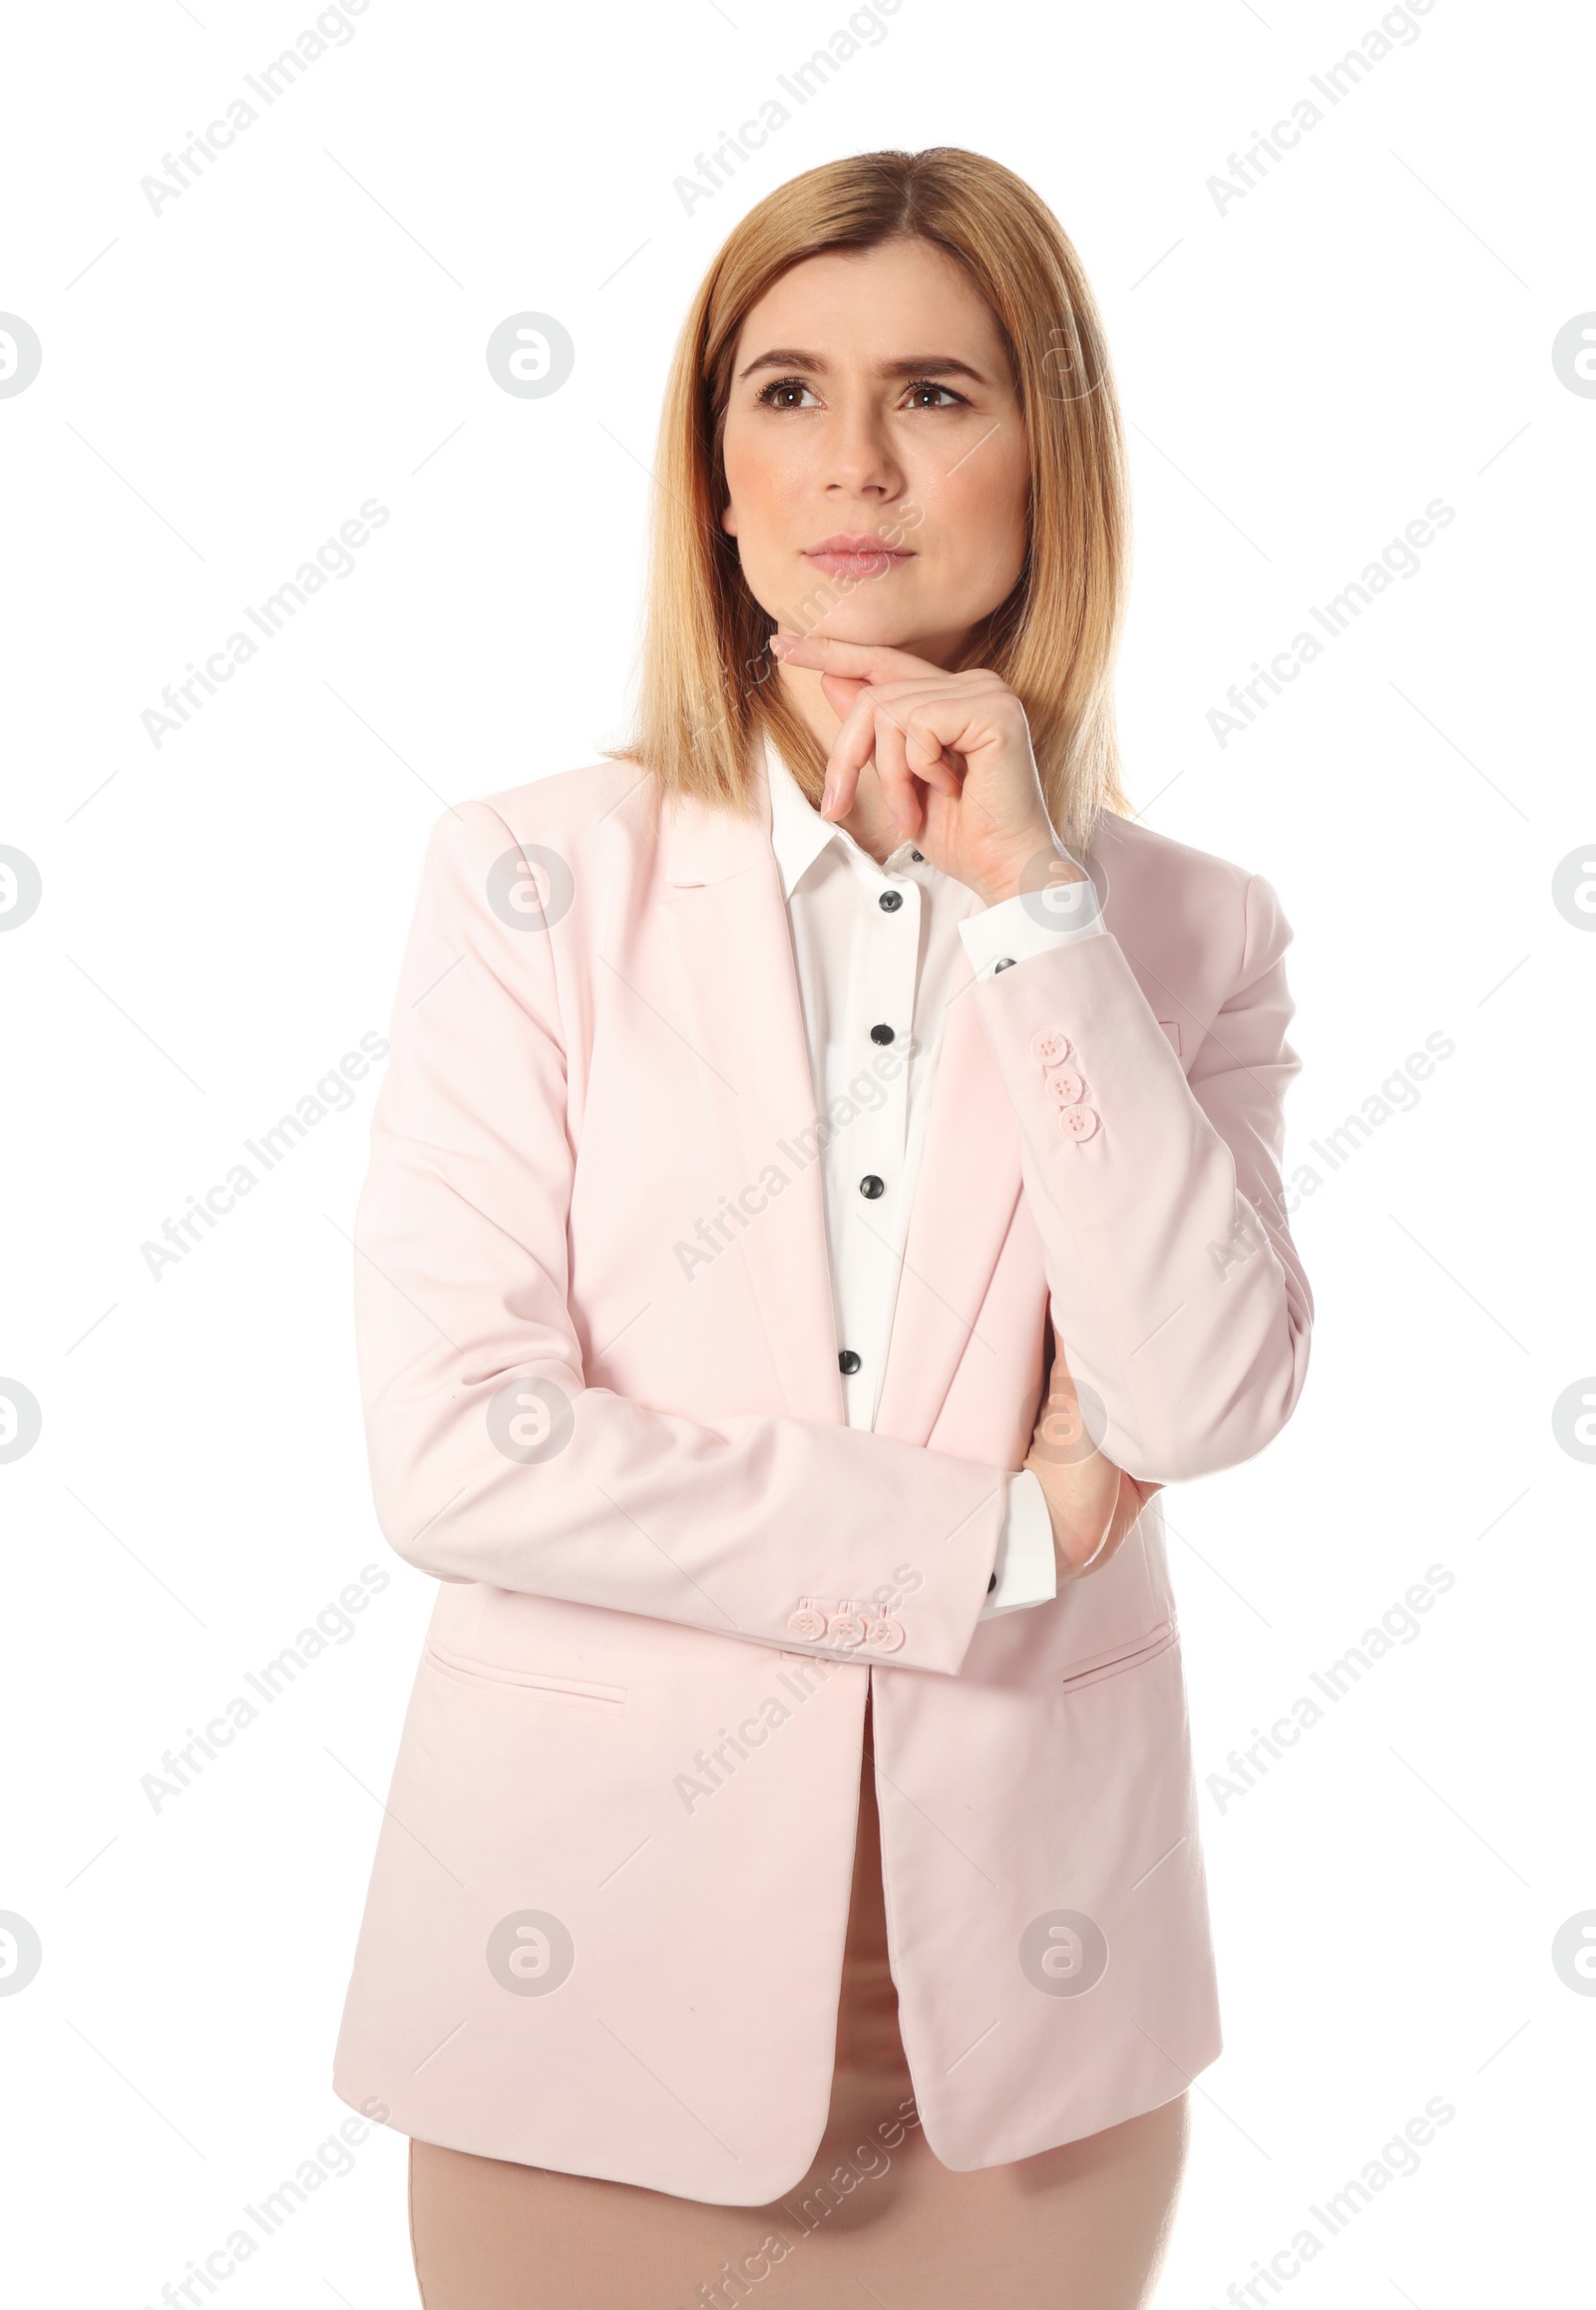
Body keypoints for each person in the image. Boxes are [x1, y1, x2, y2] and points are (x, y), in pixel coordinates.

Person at [332, 145, 1313, 2309]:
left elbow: (1204, 1393)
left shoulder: (1181, 930)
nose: (850, 463)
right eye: (782, 390)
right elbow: (461, 1449)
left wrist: (1033, 912)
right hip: (581, 1986)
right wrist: (1005, 1540)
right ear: (707, 470)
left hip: (1030, 2041)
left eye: (937, 395)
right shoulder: (525, 882)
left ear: (1048, 451)